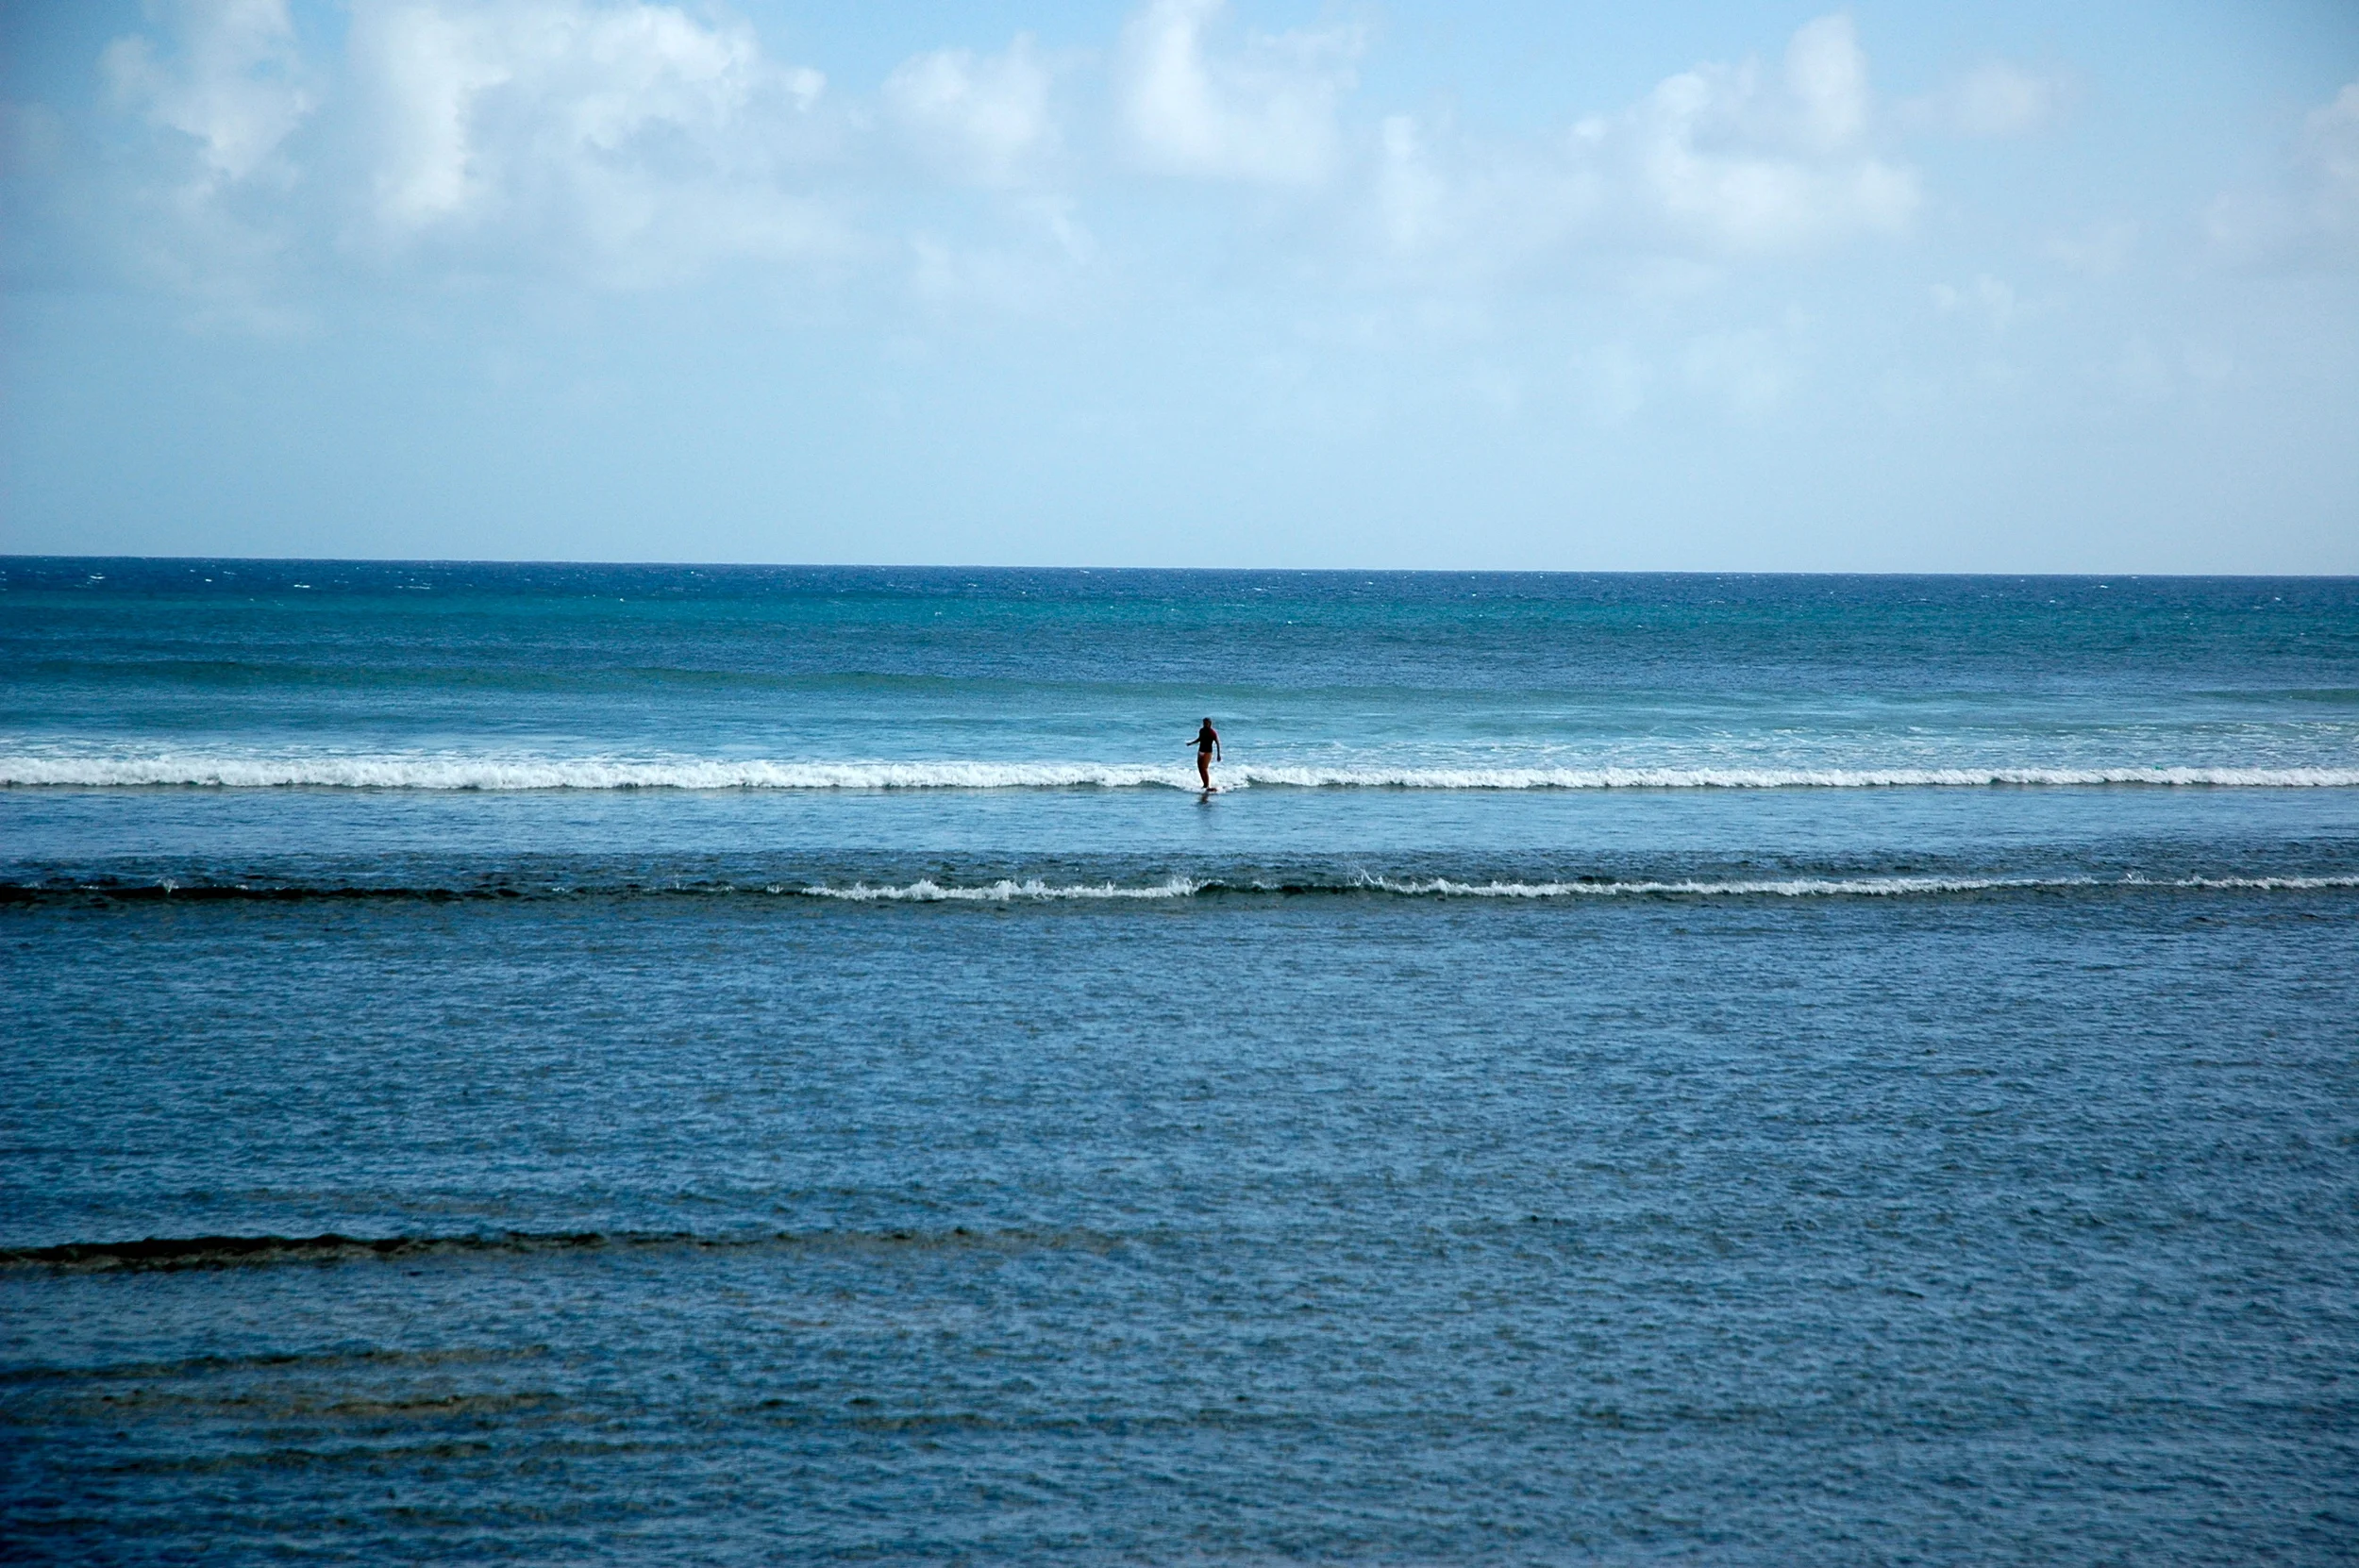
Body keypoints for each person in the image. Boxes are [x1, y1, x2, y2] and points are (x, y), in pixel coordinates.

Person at [1192, 717, 1221, 791]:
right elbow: (1200, 739)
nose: (1205, 724)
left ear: (1210, 724)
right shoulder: (1201, 730)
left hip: (1208, 752)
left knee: (1204, 768)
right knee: (1200, 768)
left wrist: (1218, 755)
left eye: (1206, 723)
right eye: (1204, 723)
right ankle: (1204, 784)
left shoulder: (1212, 732)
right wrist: (1191, 743)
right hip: (1200, 751)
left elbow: (1217, 743)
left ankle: (1207, 785)